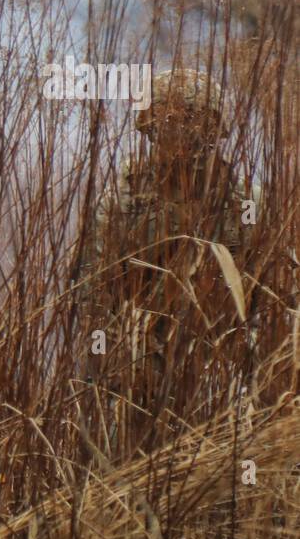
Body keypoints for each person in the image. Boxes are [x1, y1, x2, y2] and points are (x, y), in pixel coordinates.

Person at [80, 67, 259, 454]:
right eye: (169, 122)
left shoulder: (243, 201)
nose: (181, 136)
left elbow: (270, 291)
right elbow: (92, 292)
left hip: (220, 361)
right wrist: (114, 359)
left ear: (213, 131)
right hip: (139, 359)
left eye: (193, 122)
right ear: (151, 128)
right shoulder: (124, 200)